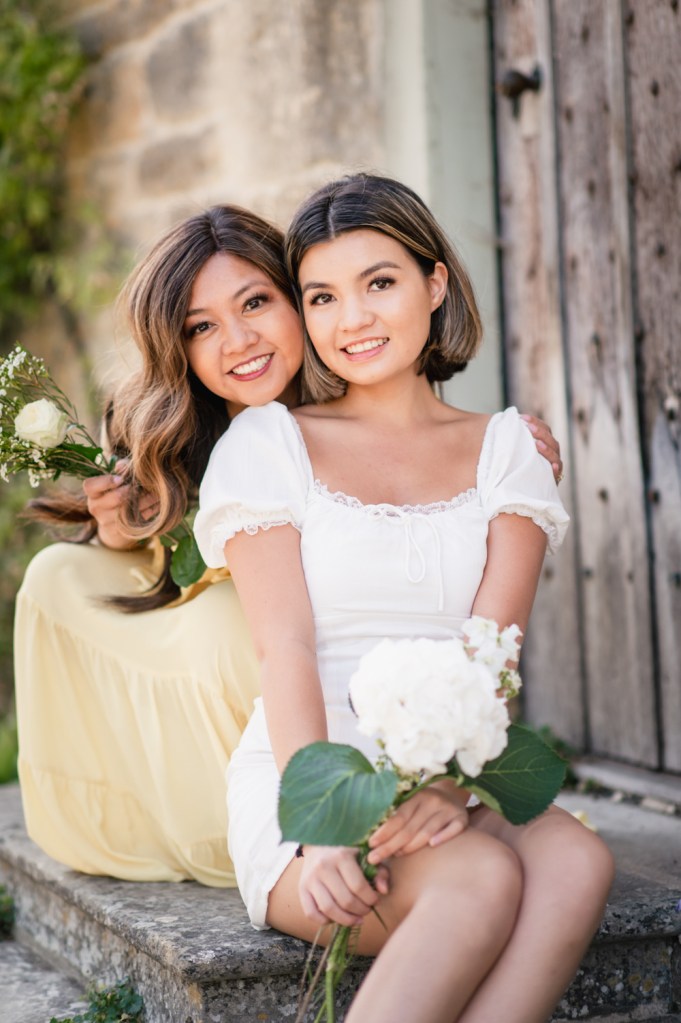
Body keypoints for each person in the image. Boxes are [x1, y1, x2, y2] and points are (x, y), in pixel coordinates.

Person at [15, 203, 563, 888]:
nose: (238, 340)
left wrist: (510, 451)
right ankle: (261, 807)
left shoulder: (367, 373)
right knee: (94, 582)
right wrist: (123, 528)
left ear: (296, 300)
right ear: (176, 347)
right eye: (201, 327)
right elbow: (177, 558)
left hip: (377, 685)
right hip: (261, 666)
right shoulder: (191, 429)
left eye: (256, 302)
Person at [194, 174, 614, 1023]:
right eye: (321, 296)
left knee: (577, 863)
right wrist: (318, 829)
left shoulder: (506, 448)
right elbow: (287, 649)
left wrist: (454, 787)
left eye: (378, 282)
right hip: (307, 775)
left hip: (453, 759)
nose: (351, 319)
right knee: (482, 878)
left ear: (434, 284)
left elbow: (494, 647)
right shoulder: (270, 442)